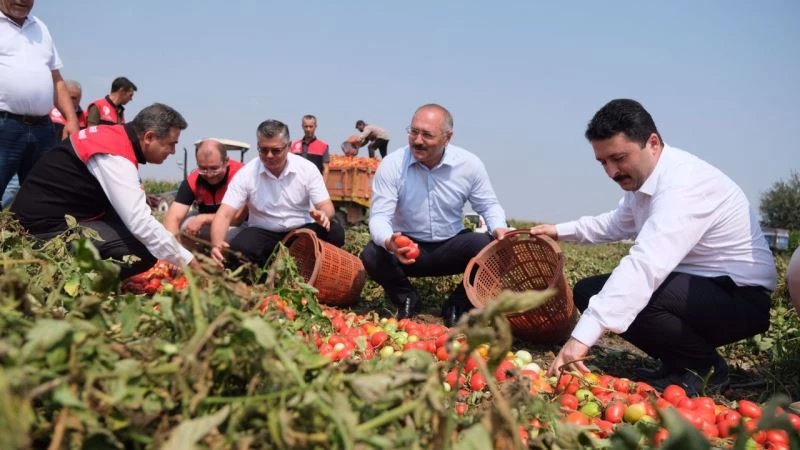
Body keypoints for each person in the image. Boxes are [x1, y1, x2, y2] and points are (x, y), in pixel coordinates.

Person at [530, 99, 777, 396]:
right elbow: (615, 223)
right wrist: (558, 231)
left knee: (639, 291)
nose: (611, 171)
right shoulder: (643, 183)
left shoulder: (684, 184)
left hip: (740, 297)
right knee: (589, 290)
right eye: (603, 162)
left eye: (619, 158)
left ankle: (704, 367)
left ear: (653, 143)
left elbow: (646, 264)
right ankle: (679, 361)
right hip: (698, 290)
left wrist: (580, 339)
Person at [361, 104, 510, 326]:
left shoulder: (468, 165)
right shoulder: (392, 164)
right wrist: (390, 242)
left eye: (427, 135)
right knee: (372, 254)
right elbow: (380, 216)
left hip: (450, 246)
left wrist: (499, 227)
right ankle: (406, 297)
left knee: (495, 248)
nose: (418, 140)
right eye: (413, 132)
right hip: (408, 249)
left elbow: (488, 205)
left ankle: (459, 303)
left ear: (447, 138)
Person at [11, 103, 196, 278]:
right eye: (171, 143)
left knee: (130, 229)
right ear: (149, 137)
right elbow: (140, 222)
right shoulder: (114, 154)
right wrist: (189, 261)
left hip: (42, 222)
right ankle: (75, 283)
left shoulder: (113, 138)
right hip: (40, 232)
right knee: (143, 251)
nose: (172, 151)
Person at [210, 119, 344, 274]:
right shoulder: (247, 174)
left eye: (276, 150)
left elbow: (326, 206)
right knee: (239, 249)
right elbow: (224, 213)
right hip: (264, 232)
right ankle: (263, 278)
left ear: (288, 147)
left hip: (302, 231)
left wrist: (323, 215)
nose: (269, 156)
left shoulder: (307, 169)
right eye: (263, 150)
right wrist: (216, 245)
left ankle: (317, 270)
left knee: (335, 232)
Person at [1, 0, 80, 207]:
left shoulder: (40, 28)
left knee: (46, 195)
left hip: (42, 130)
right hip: (4, 126)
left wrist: (71, 120)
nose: (22, 1)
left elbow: (57, 80)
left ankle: (31, 239)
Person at [163, 138, 248, 249]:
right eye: (203, 168)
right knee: (183, 227)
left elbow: (237, 218)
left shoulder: (242, 174)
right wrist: (175, 252)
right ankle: (195, 259)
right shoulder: (193, 180)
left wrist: (203, 218)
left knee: (229, 238)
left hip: (236, 224)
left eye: (214, 168)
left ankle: (223, 262)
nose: (209, 174)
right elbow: (172, 218)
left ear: (226, 161)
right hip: (208, 223)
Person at [291, 114, 330, 179]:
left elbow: (326, 169)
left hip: (314, 185)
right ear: (302, 126)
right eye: (306, 126)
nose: (308, 129)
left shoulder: (323, 146)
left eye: (311, 126)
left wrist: (322, 186)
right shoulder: (294, 145)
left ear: (315, 126)